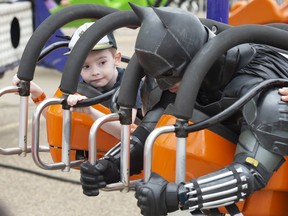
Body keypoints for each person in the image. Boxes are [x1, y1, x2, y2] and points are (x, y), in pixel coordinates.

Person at [79, 5, 288, 216]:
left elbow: (252, 172)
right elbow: (149, 130)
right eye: (158, 76)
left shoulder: (265, 93)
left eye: (169, 75)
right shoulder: (174, 81)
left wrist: (181, 195)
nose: (164, 84)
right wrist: (111, 165)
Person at [12, 22, 142, 139]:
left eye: (102, 62)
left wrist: (89, 111)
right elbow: (57, 119)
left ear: (117, 58)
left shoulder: (130, 82)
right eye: (86, 66)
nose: (95, 72)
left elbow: (126, 131)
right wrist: (36, 92)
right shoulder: (79, 88)